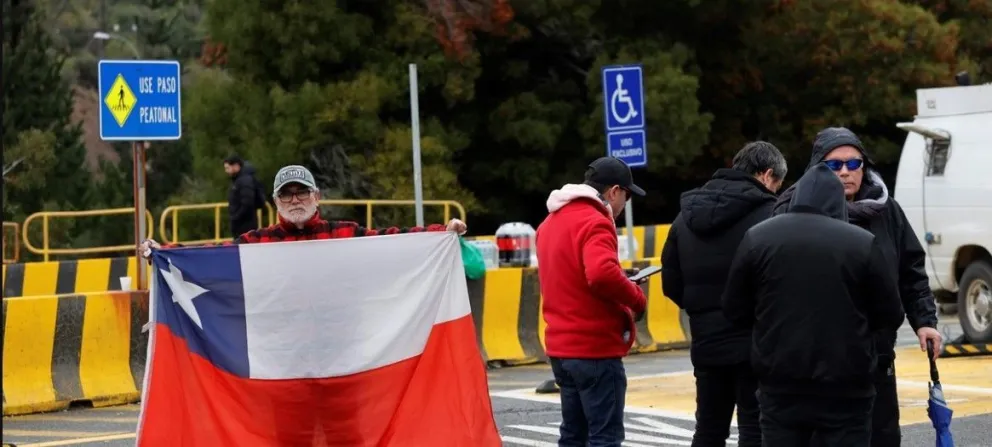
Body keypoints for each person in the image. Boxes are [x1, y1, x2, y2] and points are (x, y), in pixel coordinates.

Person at [140, 165, 466, 445]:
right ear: (275, 202)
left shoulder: (346, 235)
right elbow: (211, 259)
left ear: (317, 196)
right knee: (288, 440)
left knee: (348, 438)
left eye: (302, 192)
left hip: (342, 361)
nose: (295, 200)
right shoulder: (256, 244)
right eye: (286, 195)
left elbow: (395, 242)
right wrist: (164, 253)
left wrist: (442, 232)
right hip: (284, 365)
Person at [772, 127, 941, 447]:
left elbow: (911, 271)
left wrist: (925, 321)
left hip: (875, 354)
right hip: (813, 362)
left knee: (882, 436)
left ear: (865, 166)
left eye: (854, 163)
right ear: (817, 169)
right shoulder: (791, 212)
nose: (845, 172)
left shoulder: (886, 210)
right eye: (834, 165)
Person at [722, 163, 905, 447]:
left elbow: (734, 308)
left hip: (780, 381)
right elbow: (890, 313)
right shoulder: (861, 243)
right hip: (846, 383)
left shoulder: (758, 237)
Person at [660, 141, 787, 447]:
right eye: (778, 185)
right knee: (755, 429)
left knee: (709, 429)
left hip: (706, 343)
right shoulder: (771, 215)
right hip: (756, 343)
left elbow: (671, 284)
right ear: (767, 175)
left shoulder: (684, 218)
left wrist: (703, 310)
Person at [535, 156, 649, 447]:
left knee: (573, 436)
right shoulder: (596, 221)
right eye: (626, 196)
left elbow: (573, 273)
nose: (625, 205)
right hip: (594, 348)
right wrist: (636, 297)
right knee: (604, 438)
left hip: (561, 349)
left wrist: (620, 276)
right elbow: (600, 274)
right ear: (614, 191)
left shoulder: (549, 222)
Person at [223, 155, 266, 238]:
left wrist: (236, 217)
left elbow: (247, 203)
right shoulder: (239, 180)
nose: (226, 171)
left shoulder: (244, 180)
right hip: (242, 224)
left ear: (236, 166)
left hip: (245, 225)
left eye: (227, 168)